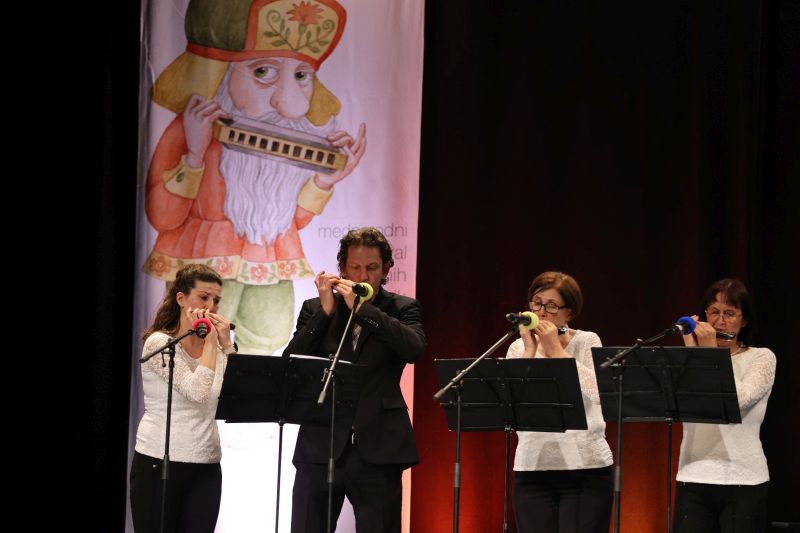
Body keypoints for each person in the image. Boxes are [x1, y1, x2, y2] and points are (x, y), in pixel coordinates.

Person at [143, 0, 366, 354]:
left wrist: (325, 181)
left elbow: (289, 217)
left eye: (301, 76)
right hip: (203, 261)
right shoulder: (194, 128)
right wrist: (195, 155)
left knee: (270, 338)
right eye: (263, 72)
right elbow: (163, 216)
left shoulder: (289, 139)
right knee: (198, 346)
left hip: (269, 259)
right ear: (222, 73)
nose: (287, 102)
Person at [283, 227, 426, 533]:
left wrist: (364, 310)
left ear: (386, 269)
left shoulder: (401, 308)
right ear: (343, 269)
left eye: (372, 268)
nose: (363, 276)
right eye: (355, 267)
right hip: (320, 446)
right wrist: (324, 313)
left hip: (378, 449)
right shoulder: (316, 308)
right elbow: (291, 363)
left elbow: (414, 349)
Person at [130, 264, 236, 533]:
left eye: (216, 300)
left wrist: (227, 345)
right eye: (204, 297)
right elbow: (197, 392)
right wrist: (211, 343)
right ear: (181, 298)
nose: (211, 306)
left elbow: (237, 393)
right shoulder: (159, 343)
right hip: (159, 462)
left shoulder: (218, 348)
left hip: (207, 465)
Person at [505, 271, 613, 533]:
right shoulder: (518, 348)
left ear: (569, 313)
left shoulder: (588, 340)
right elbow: (511, 405)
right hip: (532, 468)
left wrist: (555, 350)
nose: (542, 312)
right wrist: (530, 351)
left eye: (552, 306)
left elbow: (599, 392)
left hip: (585, 470)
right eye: (537, 303)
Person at [673, 278, 776, 533]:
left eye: (729, 313)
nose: (720, 321)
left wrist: (710, 353)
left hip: (743, 479)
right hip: (692, 476)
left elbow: (738, 401)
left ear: (744, 320)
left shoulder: (761, 358)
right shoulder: (692, 357)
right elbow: (679, 404)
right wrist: (693, 353)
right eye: (714, 312)